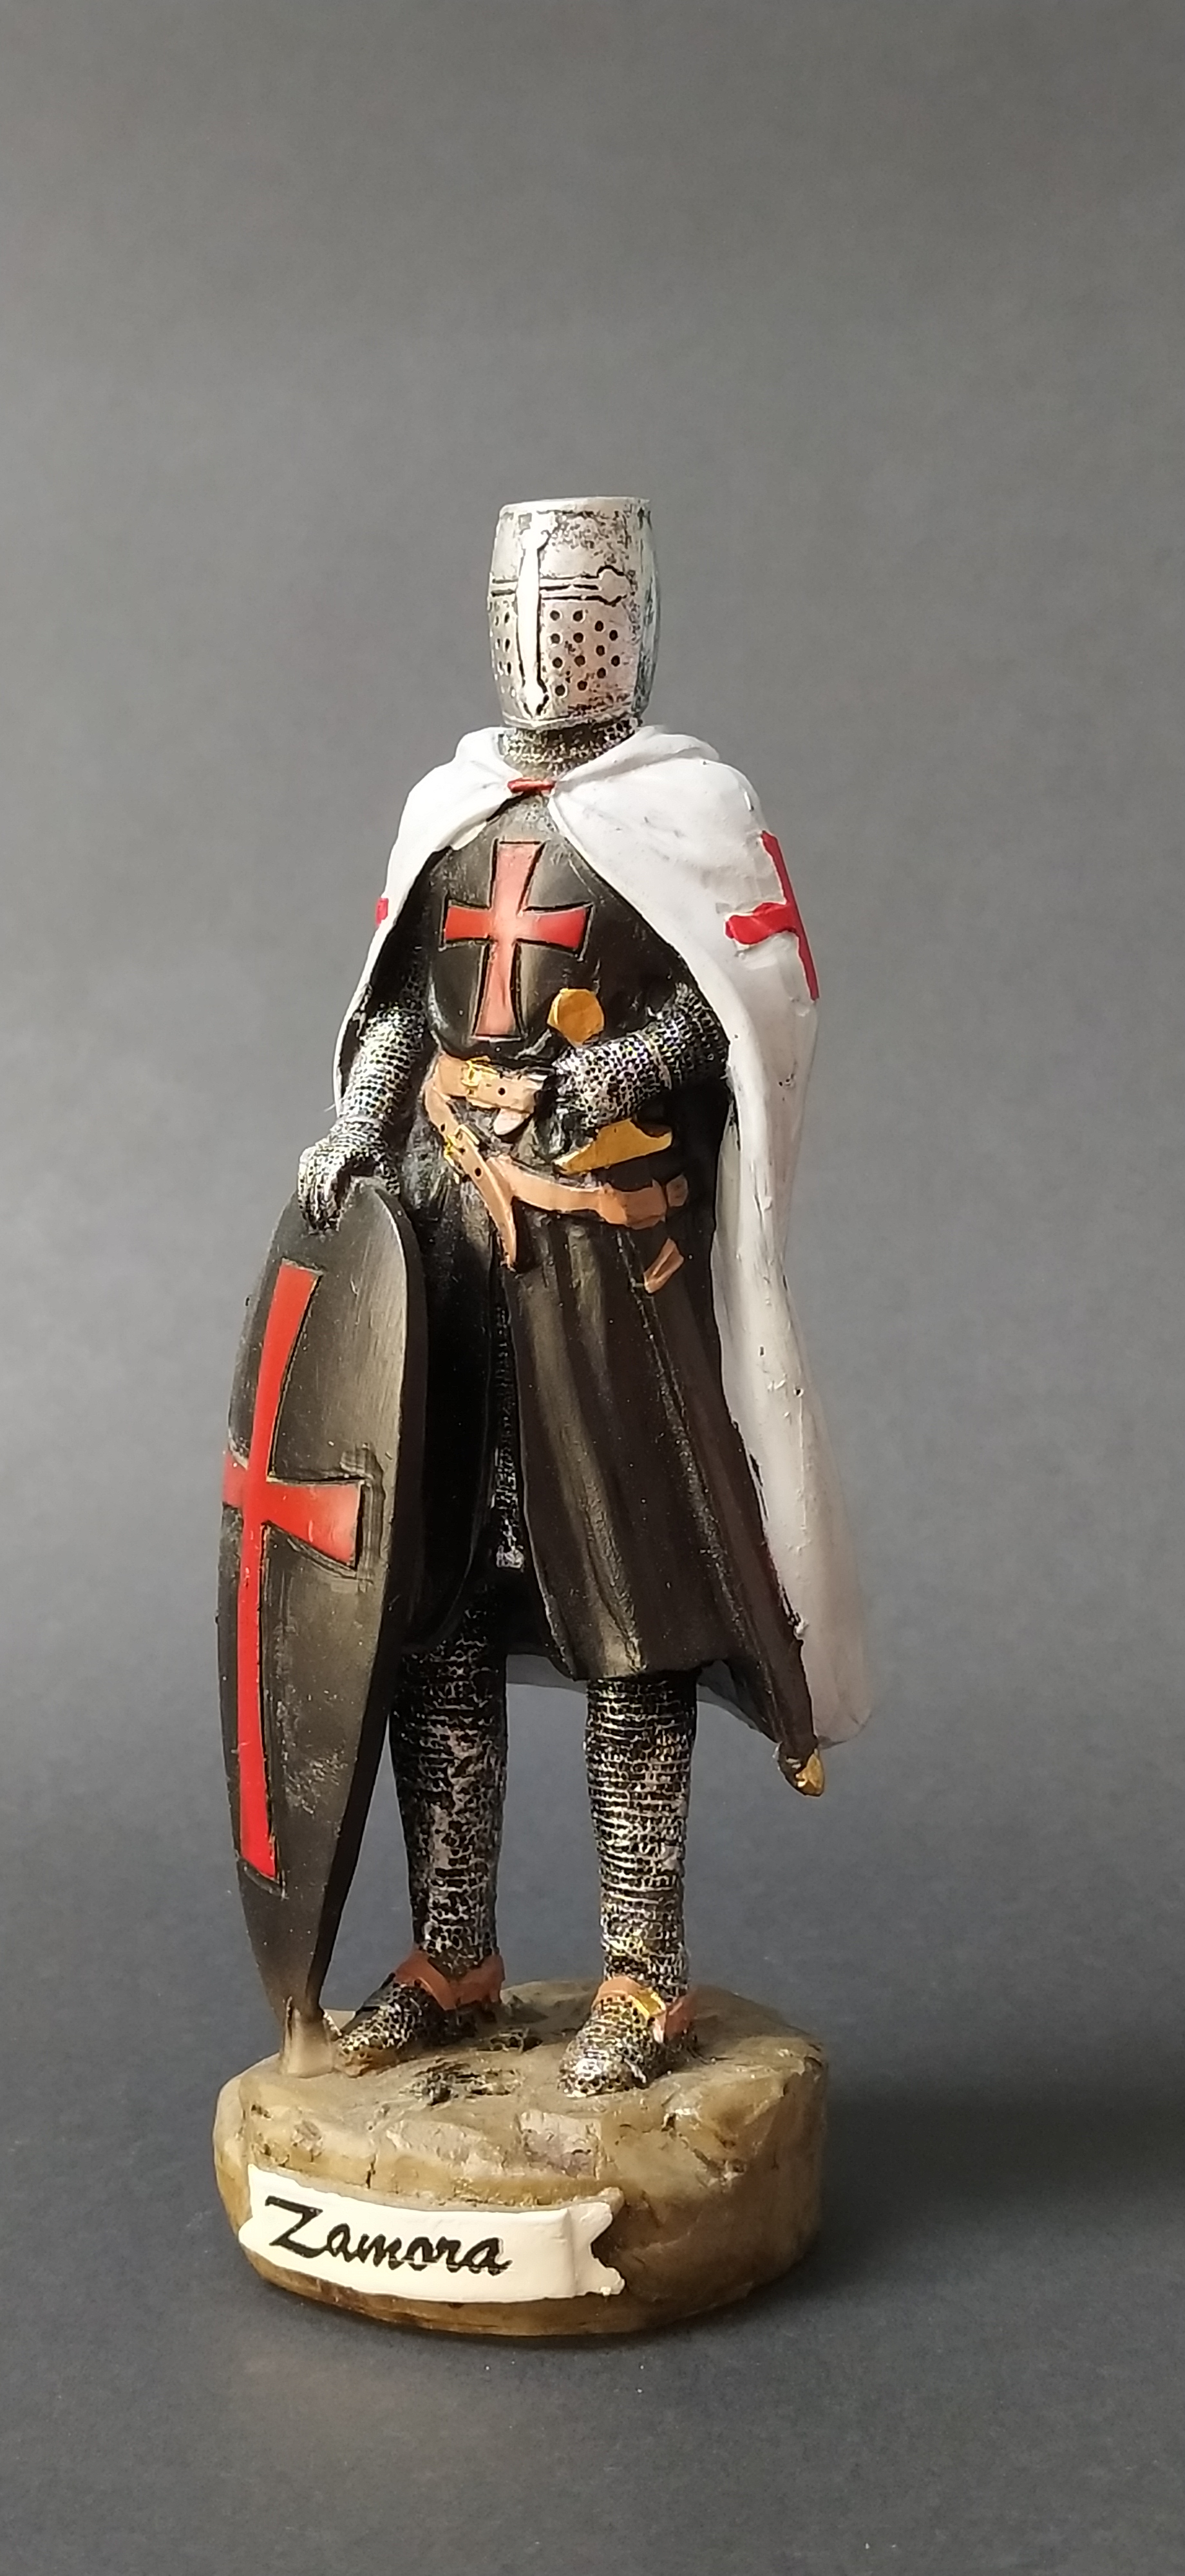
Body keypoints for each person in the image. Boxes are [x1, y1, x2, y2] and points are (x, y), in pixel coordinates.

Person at [297, 495, 869, 2094]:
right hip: (445, 1265)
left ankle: (641, 1974)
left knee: (632, 1620)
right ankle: (453, 1952)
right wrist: (361, 1120)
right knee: (435, 1621)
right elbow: (403, 1006)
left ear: (635, 615)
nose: (557, 639)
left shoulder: (689, 808)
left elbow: (735, 1005)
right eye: (532, 608)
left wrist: (608, 1069)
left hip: (602, 1277)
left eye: (587, 609)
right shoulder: (452, 807)